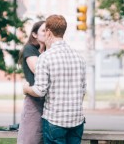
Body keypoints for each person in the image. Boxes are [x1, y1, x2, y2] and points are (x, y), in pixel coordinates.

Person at [23, 15, 87, 144]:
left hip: (55, 120)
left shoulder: (46, 57)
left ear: (48, 32)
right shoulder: (79, 57)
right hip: (77, 120)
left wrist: (26, 89)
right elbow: (83, 90)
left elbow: (40, 90)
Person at [17, 20, 46, 144]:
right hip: (34, 101)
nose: (47, 34)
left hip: (49, 102)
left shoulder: (50, 51)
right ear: (34, 34)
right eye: (44, 31)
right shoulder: (30, 49)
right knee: (30, 139)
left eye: (49, 31)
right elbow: (36, 69)